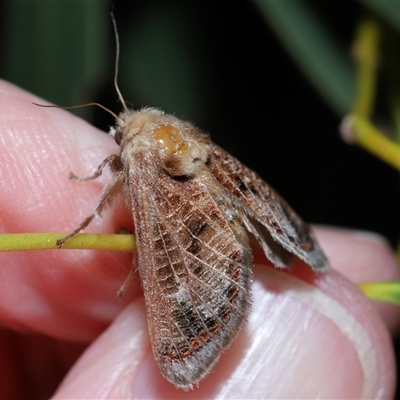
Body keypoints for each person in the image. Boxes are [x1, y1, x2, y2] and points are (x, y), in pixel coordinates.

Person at [0, 79, 398, 399]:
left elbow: (114, 182)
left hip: (192, 230)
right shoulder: (165, 136)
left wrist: (89, 215)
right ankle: (294, 242)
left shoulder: (138, 162)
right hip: (219, 197)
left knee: (169, 280)